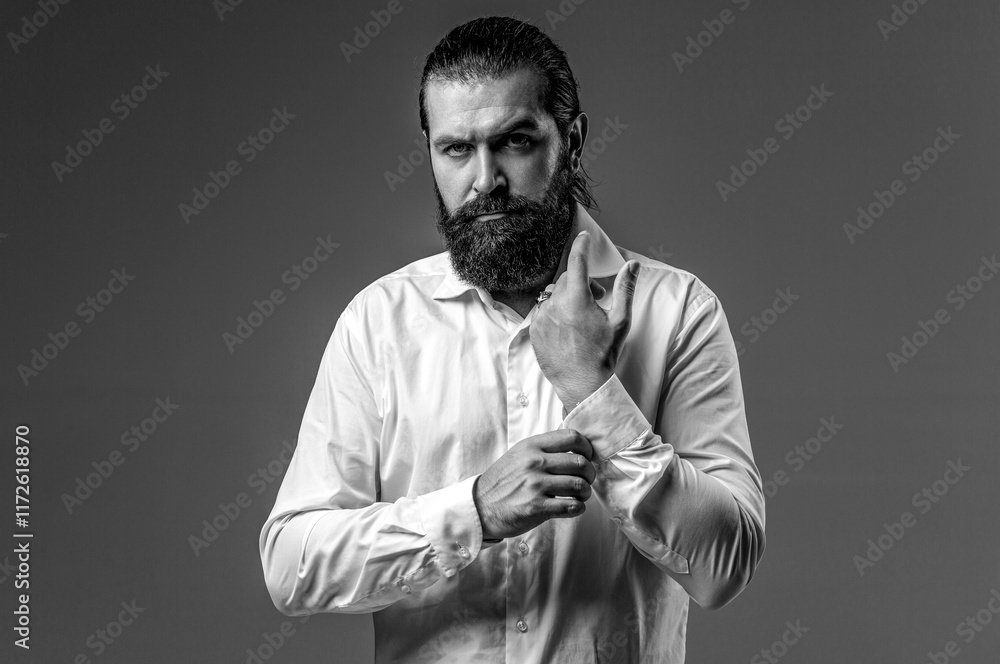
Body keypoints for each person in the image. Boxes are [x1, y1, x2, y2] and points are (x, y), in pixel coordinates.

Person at [260, 16, 765, 664]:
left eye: (515, 142)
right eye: (456, 149)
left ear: (572, 140)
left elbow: (724, 567)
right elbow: (292, 565)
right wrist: (473, 513)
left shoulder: (678, 312)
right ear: (430, 151)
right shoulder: (379, 322)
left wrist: (592, 390)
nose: (485, 180)